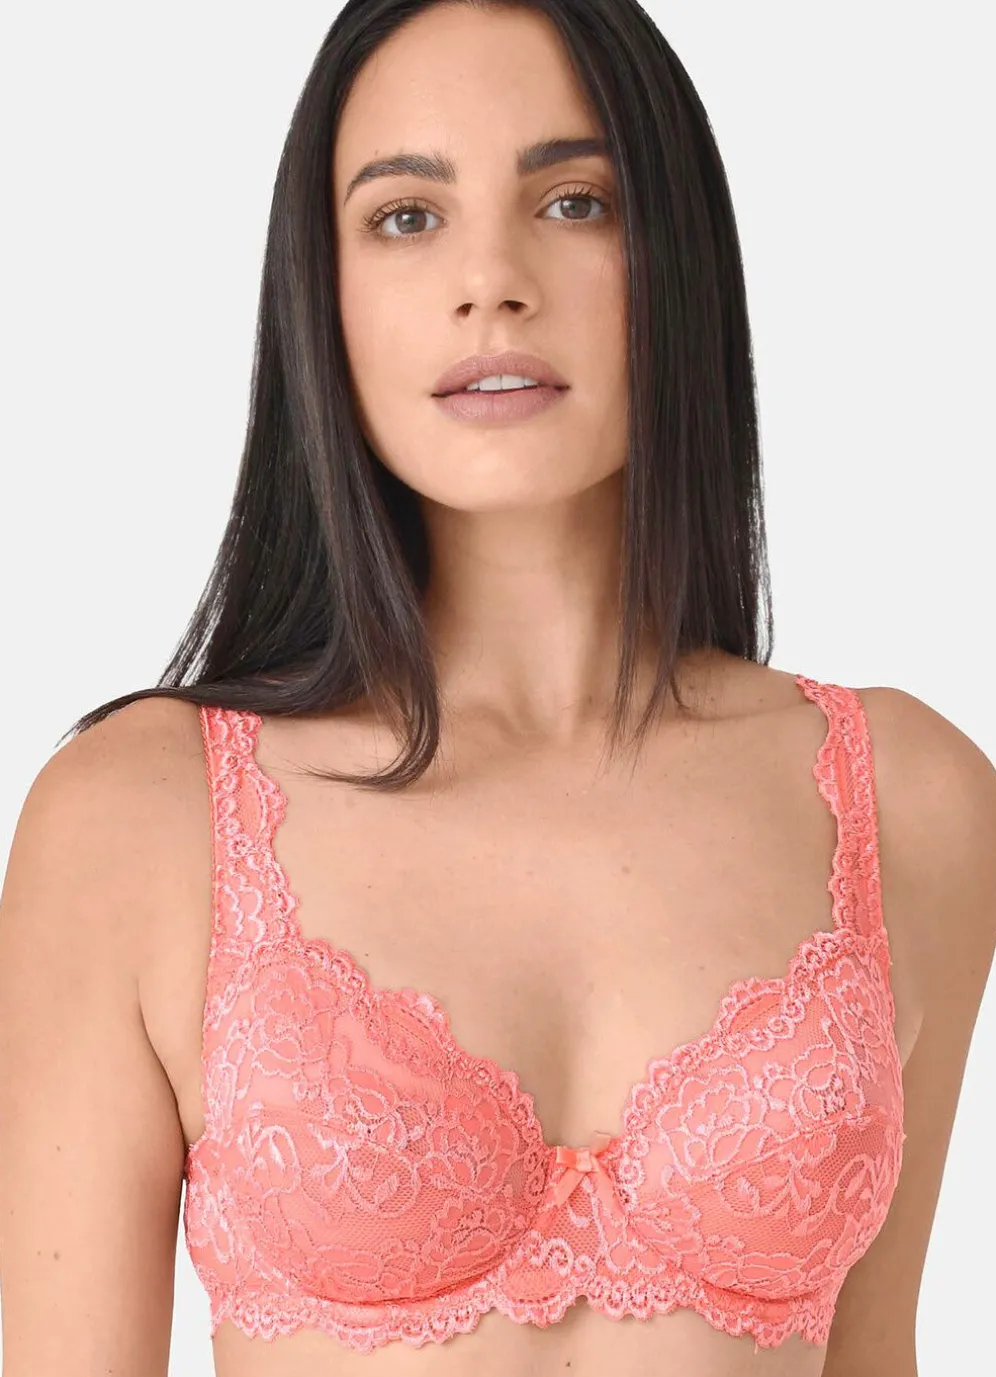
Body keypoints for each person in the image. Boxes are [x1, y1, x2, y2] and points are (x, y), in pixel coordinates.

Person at [1, 1, 993, 1374]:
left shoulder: (909, 800)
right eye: (406, 216)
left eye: (575, 201)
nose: (492, 282)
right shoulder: (140, 821)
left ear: (679, 257)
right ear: (322, 296)